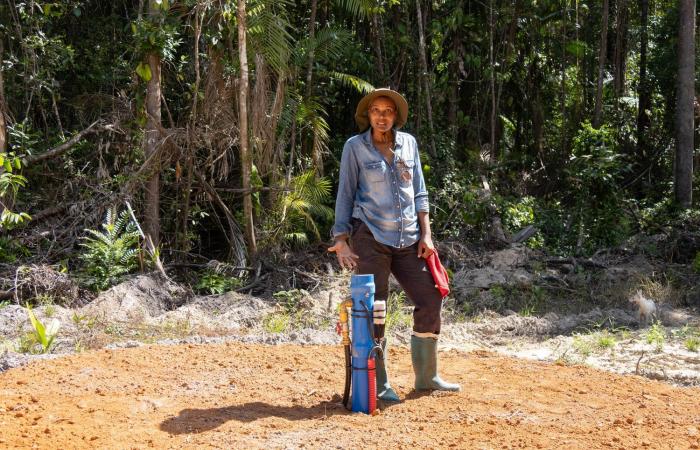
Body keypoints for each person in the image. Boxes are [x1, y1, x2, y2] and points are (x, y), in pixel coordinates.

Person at [328, 88, 460, 402]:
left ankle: (427, 377)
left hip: (410, 238)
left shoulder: (409, 144)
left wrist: (426, 234)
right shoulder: (355, 147)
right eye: (376, 110)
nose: (383, 116)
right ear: (368, 115)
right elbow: (345, 194)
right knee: (376, 308)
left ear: (396, 116)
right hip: (369, 236)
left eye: (388, 111)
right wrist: (341, 240)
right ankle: (380, 384)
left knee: (430, 298)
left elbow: (420, 194)